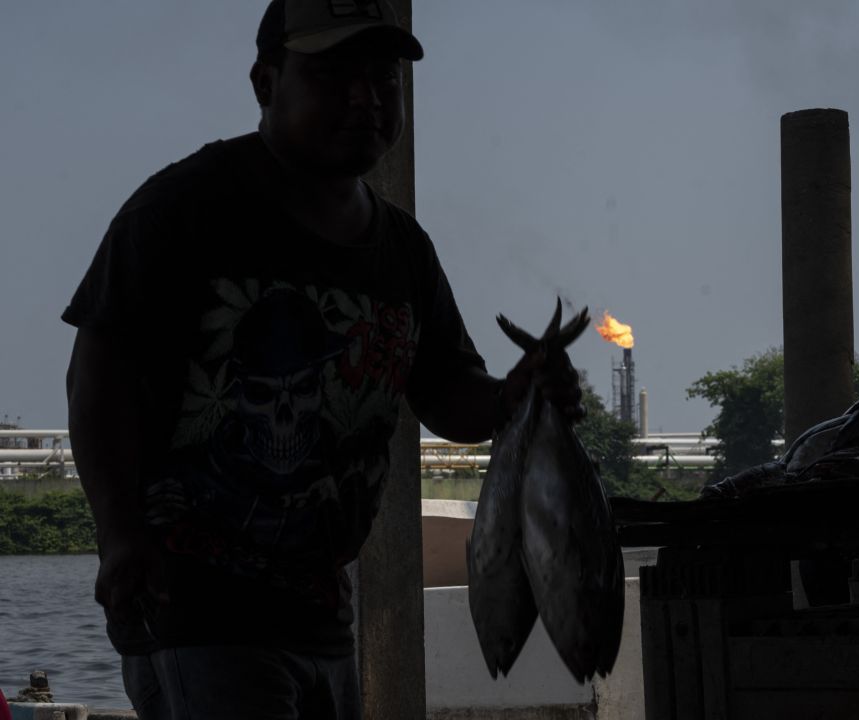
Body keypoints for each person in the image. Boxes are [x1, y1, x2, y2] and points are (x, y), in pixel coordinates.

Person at [62, 1, 583, 717]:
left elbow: (446, 392)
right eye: (335, 75)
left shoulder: (403, 249)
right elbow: (99, 378)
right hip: (194, 607)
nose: (366, 96)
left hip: (322, 614)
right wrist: (119, 536)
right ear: (264, 82)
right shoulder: (184, 209)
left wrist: (513, 397)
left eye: (383, 77)